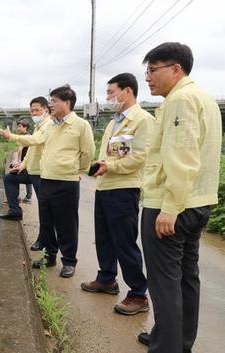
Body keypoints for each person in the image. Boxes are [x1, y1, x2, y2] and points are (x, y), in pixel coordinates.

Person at [138, 42, 222, 353]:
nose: (148, 77)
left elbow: (181, 158)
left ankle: (167, 346)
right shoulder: (204, 99)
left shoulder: (180, 100)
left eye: (153, 70)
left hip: (172, 205)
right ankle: (177, 340)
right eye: (146, 71)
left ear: (176, 69)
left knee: (164, 283)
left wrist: (170, 208)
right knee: (186, 277)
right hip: (198, 202)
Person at [80, 73, 153, 315]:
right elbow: (112, 154)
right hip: (105, 187)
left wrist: (110, 166)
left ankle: (138, 293)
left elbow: (139, 157)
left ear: (128, 91)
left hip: (124, 189)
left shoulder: (142, 120)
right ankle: (107, 278)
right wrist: (103, 164)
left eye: (111, 92)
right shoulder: (113, 122)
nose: (108, 97)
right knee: (104, 238)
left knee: (124, 242)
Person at [6, 85, 95, 277]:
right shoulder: (50, 125)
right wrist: (13, 137)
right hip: (46, 179)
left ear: (67, 103)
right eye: (51, 100)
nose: (51, 105)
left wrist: (76, 170)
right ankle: (49, 256)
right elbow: (36, 140)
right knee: (46, 221)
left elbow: (88, 153)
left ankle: (69, 261)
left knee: (67, 223)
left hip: (67, 181)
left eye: (54, 101)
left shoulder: (80, 125)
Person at [0, 97, 51, 223]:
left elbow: (34, 140)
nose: (33, 113)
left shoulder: (48, 125)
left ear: (46, 110)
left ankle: (44, 239)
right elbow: (33, 148)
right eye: (32, 111)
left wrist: (10, 136)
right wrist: (23, 164)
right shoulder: (38, 125)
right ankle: (15, 211)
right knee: (9, 178)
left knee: (44, 207)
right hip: (31, 170)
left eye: (37, 110)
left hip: (40, 173)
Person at [16, 120, 33, 203]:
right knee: (28, 179)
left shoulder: (26, 137)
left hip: (26, 161)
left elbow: (20, 149)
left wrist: (18, 160)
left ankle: (20, 197)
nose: (18, 128)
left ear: (25, 127)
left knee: (16, 176)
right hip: (27, 160)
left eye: (20, 126)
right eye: (18, 126)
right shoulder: (28, 135)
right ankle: (28, 197)